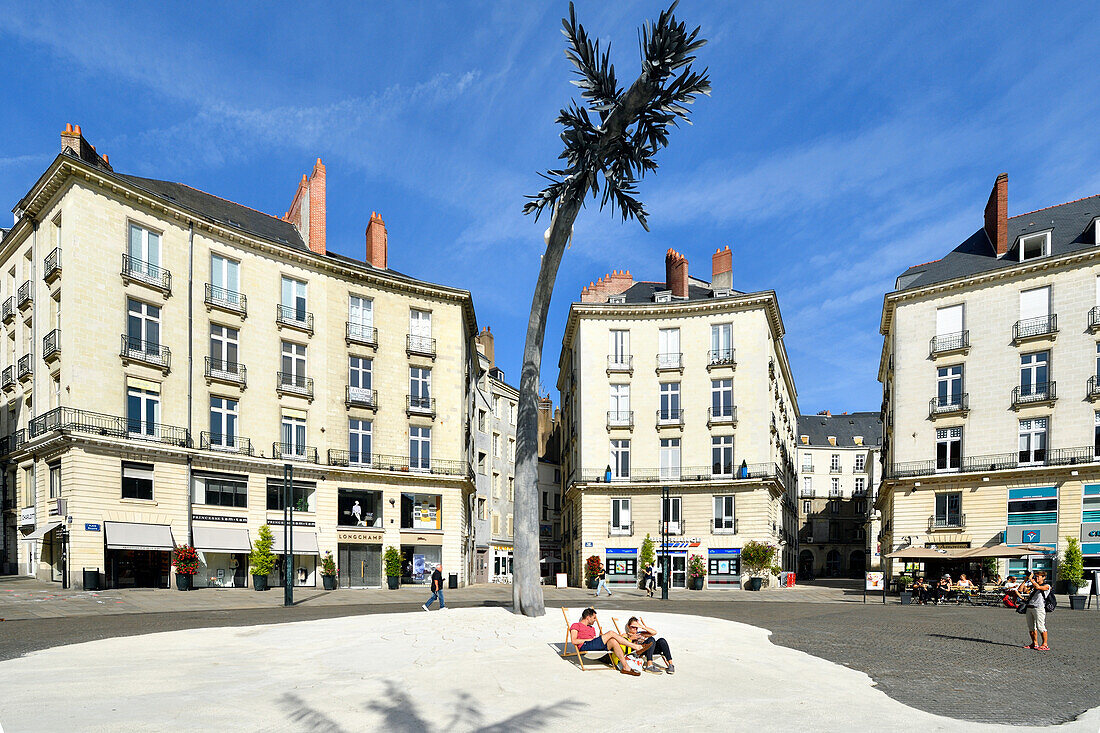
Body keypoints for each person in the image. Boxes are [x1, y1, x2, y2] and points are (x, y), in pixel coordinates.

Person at [569, 608, 643, 676]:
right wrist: (590, 640)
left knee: (613, 641)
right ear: (588, 617)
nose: (595, 620)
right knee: (611, 633)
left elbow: (595, 641)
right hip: (584, 646)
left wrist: (599, 638)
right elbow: (574, 640)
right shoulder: (576, 625)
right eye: (594, 618)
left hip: (593, 645)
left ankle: (625, 667)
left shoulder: (592, 628)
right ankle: (635, 646)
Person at [1015, 571, 1051, 650]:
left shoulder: (1047, 586)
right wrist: (1025, 580)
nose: (1037, 578)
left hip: (1039, 608)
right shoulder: (1032, 585)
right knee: (1031, 627)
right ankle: (1034, 643)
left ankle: (1045, 644)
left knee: (1040, 626)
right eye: (1036, 576)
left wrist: (1031, 580)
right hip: (1029, 607)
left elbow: (1038, 587)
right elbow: (1020, 590)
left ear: (1043, 577)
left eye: (1039, 577)